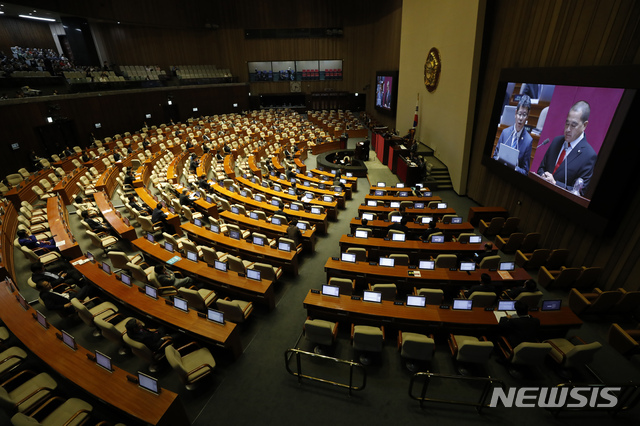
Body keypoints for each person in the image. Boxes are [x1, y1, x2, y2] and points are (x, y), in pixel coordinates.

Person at [537, 100, 597, 196]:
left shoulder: (589, 156)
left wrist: (555, 184)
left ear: (584, 125)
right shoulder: (557, 141)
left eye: (573, 125)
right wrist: (543, 176)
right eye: (567, 123)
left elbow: (579, 192)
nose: (568, 129)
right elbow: (541, 168)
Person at [493, 95, 533, 175]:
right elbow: (494, 156)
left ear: (527, 116)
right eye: (519, 114)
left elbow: (525, 172)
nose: (521, 118)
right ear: (515, 113)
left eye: (524, 115)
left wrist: (515, 168)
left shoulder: (528, 141)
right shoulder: (505, 132)